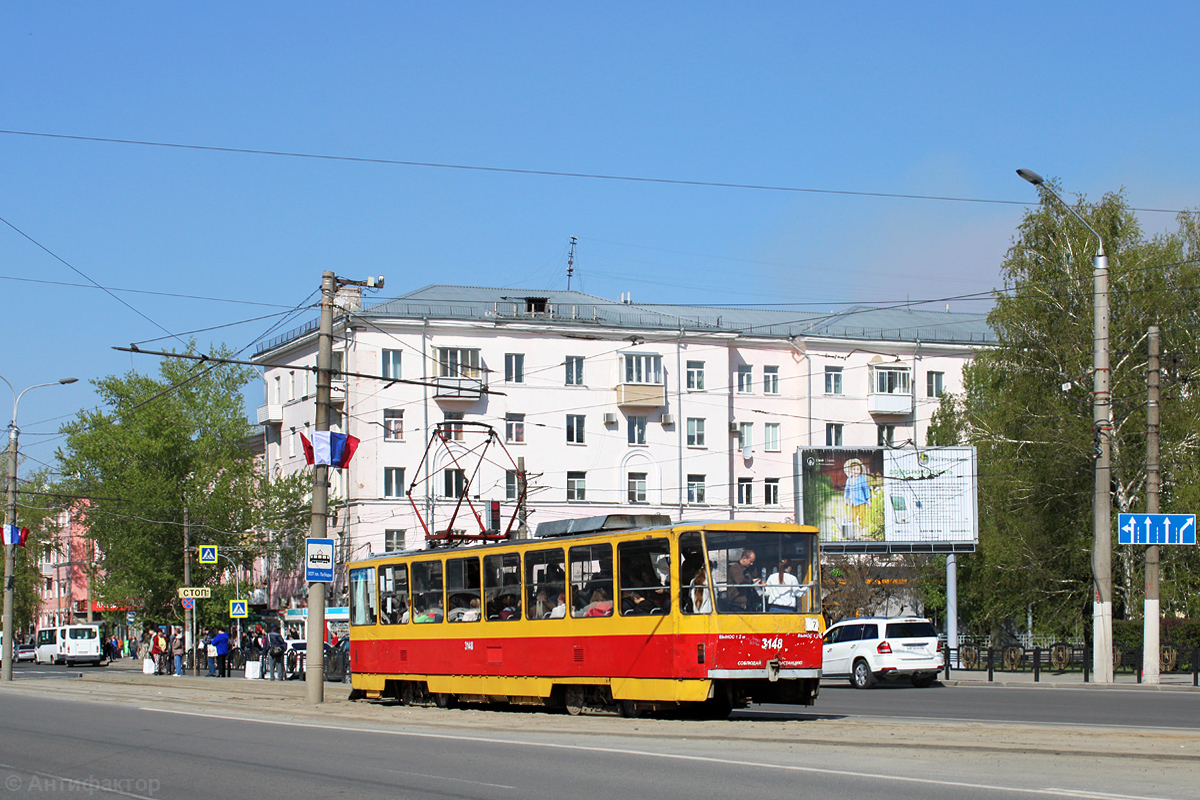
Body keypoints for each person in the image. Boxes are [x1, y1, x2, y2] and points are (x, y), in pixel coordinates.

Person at [844, 458, 871, 536]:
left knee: (861, 516)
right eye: (854, 469)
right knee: (852, 517)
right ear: (850, 470)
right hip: (853, 502)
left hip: (861, 501)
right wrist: (846, 499)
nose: (856, 471)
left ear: (860, 470)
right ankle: (854, 531)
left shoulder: (862, 479)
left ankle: (861, 530)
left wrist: (868, 500)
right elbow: (847, 490)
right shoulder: (849, 480)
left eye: (857, 469)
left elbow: (866, 490)